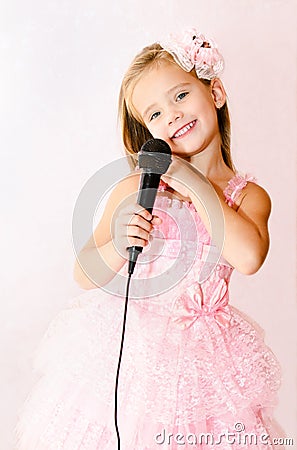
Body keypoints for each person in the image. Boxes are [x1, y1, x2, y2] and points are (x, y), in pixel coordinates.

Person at [15, 28, 284, 449]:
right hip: (133, 362)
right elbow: (84, 271)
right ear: (147, 130)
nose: (172, 115)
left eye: (180, 96)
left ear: (215, 93)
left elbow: (249, 256)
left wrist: (192, 179)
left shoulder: (246, 197)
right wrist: (117, 245)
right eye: (155, 114)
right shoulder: (138, 189)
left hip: (206, 368)